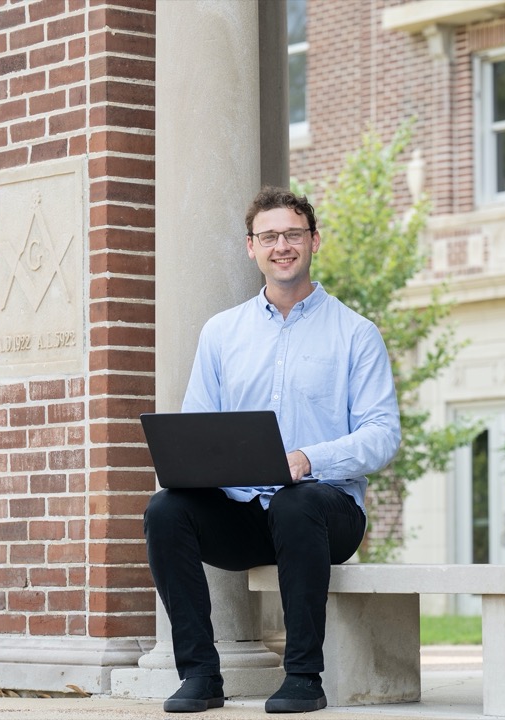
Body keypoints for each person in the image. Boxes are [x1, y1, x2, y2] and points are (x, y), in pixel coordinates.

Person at [143, 187, 401, 714]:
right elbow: (197, 425)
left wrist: (309, 460)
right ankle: (200, 674)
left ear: (314, 241)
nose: (281, 246)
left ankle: (304, 677)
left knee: (296, 500)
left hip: (326, 514)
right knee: (165, 510)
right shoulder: (221, 333)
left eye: (292, 234)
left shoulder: (356, 334)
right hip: (243, 514)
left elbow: (382, 435)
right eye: (269, 237)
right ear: (251, 248)